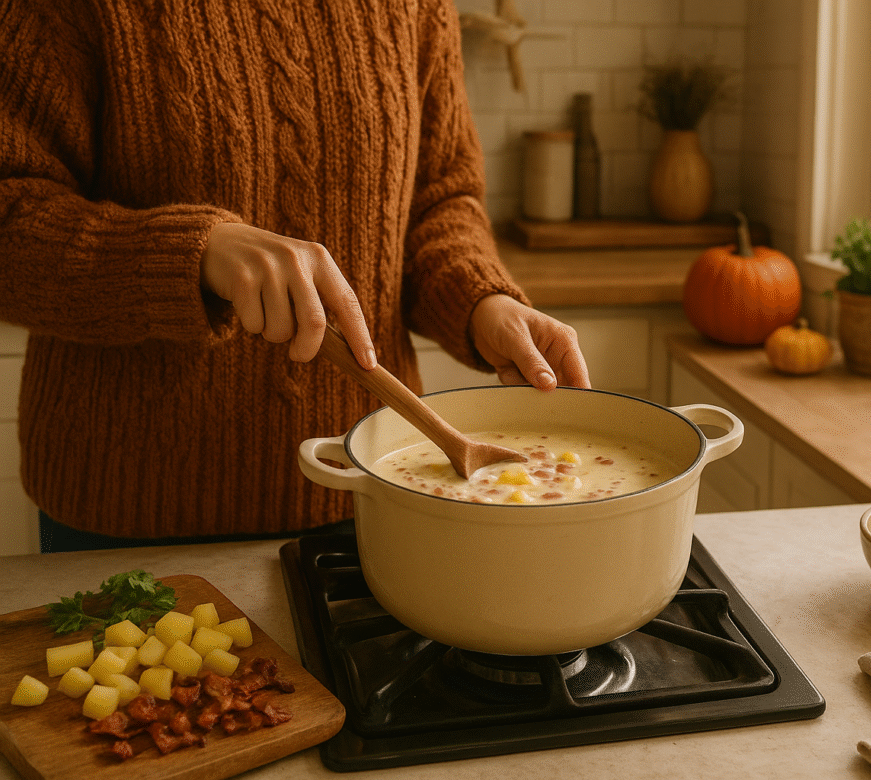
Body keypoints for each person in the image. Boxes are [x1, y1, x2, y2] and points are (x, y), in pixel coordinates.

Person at [0, 1, 590, 552]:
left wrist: (479, 299)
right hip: (125, 519)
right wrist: (190, 253)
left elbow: (440, 198)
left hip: (372, 491)